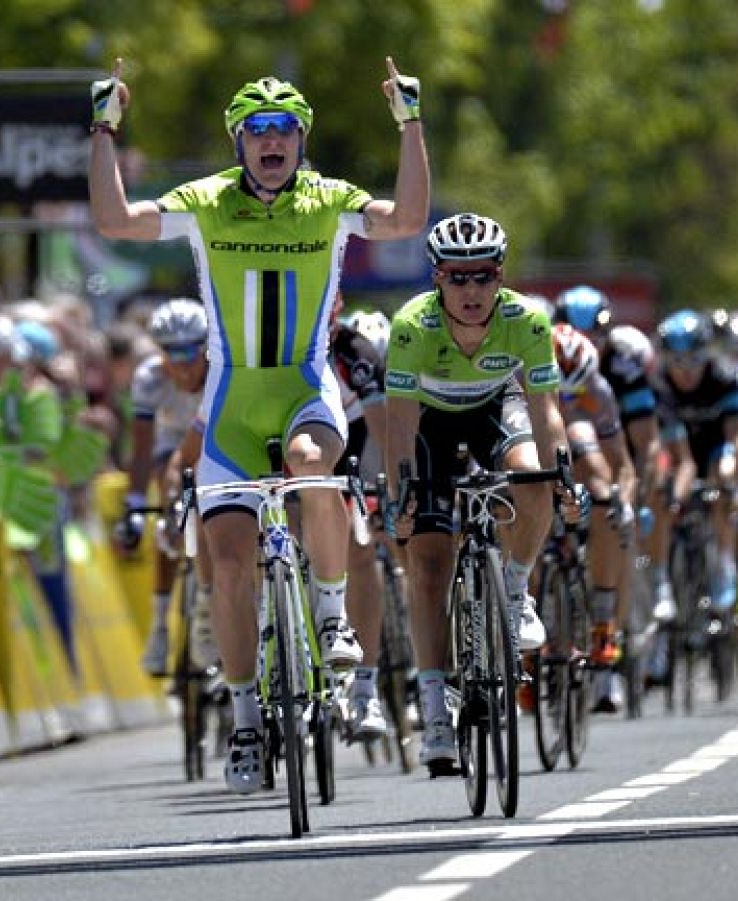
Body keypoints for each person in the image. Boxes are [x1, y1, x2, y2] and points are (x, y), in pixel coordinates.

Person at [88, 57, 430, 793]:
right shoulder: (206, 200)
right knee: (229, 565)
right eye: (257, 129)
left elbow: (405, 220)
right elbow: (115, 221)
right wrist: (104, 130)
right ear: (237, 140)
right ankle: (246, 720)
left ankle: (332, 616)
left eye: (284, 128)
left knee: (312, 464)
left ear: (301, 140)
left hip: (305, 384)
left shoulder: (328, 199)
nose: (271, 140)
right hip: (231, 402)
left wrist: (410, 125)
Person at [383, 213, 582, 773]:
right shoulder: (412, 325)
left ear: (500, 276)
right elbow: (400, 423)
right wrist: (401, 497)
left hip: (496, 406)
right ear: (437, 279)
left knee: (532, 475)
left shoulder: (528, 320)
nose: (471, 291)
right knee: (427, 566)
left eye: (483, 276)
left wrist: (563, 478)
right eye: (457, 277)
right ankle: (434, 712)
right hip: (430, 422)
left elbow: (546, 413)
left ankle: (514, 592)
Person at [553, 286, 673, 618]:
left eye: (595, 336)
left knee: (615, 512)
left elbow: (647, 444)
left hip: (615, 442)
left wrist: (635, 499)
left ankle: (613, 617)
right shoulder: (537, 356)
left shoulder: (623, 365)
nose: (585, 344)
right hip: (564, 442)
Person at [118, 300, 212, 677]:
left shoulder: (222, 372)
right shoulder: (150, 378)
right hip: (171, 442)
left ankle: (209, 601)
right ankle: (159, 627)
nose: (183, 365)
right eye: (172, 354)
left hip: (212, 441)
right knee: (170, 514)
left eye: (191, 353)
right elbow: (141, 449)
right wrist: (134, 503)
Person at [552, 322, 638, 711]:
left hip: (581, 454)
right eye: (560, 392)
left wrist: (623, 503)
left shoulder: (600, 392)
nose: (568, 399)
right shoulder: (517, 384)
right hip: (537, 444)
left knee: (604, 489)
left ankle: (603, 623)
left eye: (577, 392)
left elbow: (623, 464)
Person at [655, 309, 738, 612]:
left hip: (715, 449)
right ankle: (661, 575)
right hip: (676, 452)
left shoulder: (724, 378)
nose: (686, 371)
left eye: (694, 360)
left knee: (724, 473)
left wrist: (734, 472)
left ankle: (724, 560)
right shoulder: (658, 384)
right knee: (660, 487)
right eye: (677, 361)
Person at [329, 301, 391, 739]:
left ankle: (366, 689)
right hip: (289, 437)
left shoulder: (355, 353)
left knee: (360, 545)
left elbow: (383, 432)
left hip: (353, 442)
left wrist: (389, 489)